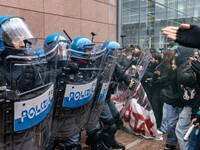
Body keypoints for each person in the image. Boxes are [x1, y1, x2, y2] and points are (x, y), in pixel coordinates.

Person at [0, 15, 53, 150]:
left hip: (23, 131)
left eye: (22, 38)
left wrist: (21, 99)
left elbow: (42, 95)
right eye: (16, 38)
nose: (22, 43)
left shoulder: (30, 66)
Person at [46, 35, 101, 150]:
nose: (62, 52)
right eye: (58, 49)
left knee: (74, 146)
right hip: (50, 116)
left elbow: (79, 86)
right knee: (46, 146)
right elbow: (43, 81)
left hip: (70, 113)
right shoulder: (43, 65)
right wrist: (61, 72)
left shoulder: (71, 65)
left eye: (64, 48)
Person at [85, 40, 135, 150]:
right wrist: (107, 84)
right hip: (97, 99)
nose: (116, 54)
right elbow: (93, 80)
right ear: (107, 51)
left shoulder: (113, 62)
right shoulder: (98, 62)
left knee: (117, 120)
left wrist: (129, 81)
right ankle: (104, 146)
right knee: (110, 124)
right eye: (114, 51)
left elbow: (121, 73)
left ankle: (110, 141)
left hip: (106, 97)